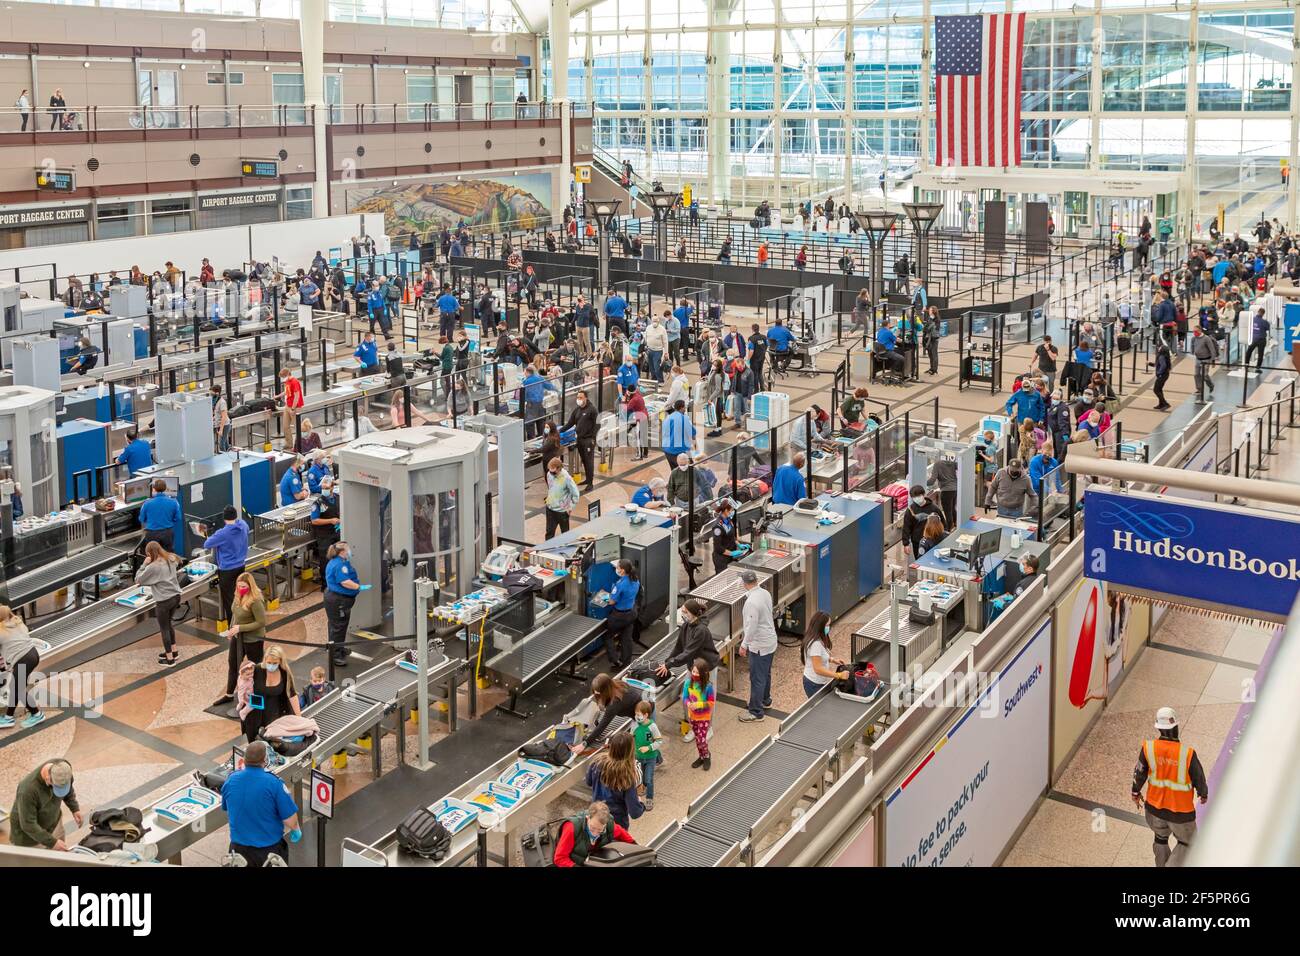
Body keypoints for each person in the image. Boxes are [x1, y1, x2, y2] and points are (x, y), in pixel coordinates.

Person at [1132, 707, 1208, 868]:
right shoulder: (1187, 754)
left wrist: (1135, 791)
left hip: (1153, 809)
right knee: (1188, 843)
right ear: (1176, 727)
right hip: (1180, 813)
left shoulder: (1148, 748)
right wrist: (1203, 793)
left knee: (1160, 838)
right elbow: (1198, 777)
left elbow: (1139, 772)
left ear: (1158, 728)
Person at [220, 740, 301, 867]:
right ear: (264, 760)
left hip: (238, 853)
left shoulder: (231, 780)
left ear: (244, 760)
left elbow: (226, 806)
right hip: (269, 854)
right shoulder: (274, 784)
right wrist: (296, 829)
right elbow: (291, 821)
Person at [204, 504, 250, 680]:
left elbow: (207, 543)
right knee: (242, 595)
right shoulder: (243, 525)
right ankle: (245, 620)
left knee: (230, 599)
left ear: (224, 518)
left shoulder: (223, 533)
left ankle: (235, 629)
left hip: (227, 569)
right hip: (241, 566)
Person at [9, 759, 81, 850]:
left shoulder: (64, 768)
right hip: (31, 839)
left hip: (54, 824)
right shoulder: (27, 791)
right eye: (56, 788)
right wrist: (52, 842)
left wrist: (74, 808)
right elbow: (28, 824)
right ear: (48, 779)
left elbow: (68, 788)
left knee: (59, 858)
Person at [237, 644, 299, 744]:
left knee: (273, 746)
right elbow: (242, 680)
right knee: (254, 746)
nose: (271, 665)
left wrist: (298, 718)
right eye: (269, 662)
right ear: (265, 659)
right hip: (254, 715)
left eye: (275, 663)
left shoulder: (284, 673)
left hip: (274, 716)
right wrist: (243, 697)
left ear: (280, 661)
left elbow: (292, 694)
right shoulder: (256, 670)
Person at [583, 730, 645, 829]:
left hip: (596, 817)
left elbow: (588, 782)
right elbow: (635, 813)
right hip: (617, 825)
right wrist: (641, 804)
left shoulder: (597, 763)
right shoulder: (627, 776)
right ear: (630, 751)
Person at [134, 541, 182, 666]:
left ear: (149, 553)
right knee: (169, 623)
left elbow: (138, 580)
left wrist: (144, 565)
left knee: (164, 628)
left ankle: (170, 659)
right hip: (176, 596)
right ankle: (174, 651)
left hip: (163, 601)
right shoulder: (171, 558)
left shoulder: (153, 566)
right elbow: (178, 562)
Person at [738, 569, 776, 722]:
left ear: (744, 583)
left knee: (757, 678)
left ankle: (756, 712)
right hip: (770, 640)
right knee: (765, 673)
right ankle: (765, 700)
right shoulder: (765, 593)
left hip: (759, 645)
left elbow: (752, 626)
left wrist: (744, 645)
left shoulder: (751, 602)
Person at [553, 800, 637, 867]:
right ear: (588, 818)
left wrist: (637, 847)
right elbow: (559, 858)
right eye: (592, 828)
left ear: (605, 824)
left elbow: (624, 836)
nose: (595, 834)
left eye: (600, 830)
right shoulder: (571, 828)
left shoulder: (610, 826)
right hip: (573, 862)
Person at [0, 605, 44, 727]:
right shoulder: (16, 622)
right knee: (16, 688)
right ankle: (8, 717)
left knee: (17, 690)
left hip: (23, 659)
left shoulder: (2, 631)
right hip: (33, 654)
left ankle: (37, 714)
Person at [324, 541, 362, 668]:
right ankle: (335, 655)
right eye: (348, 549)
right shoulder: (339, 565)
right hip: (338, 600)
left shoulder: (340, 562)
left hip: (339, 599)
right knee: (338, 626)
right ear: (342, 552)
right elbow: (345, 582)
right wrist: (358, 586)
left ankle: (338, 648)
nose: (350, 551)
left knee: (337, 625)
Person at [801, 611, 849, 698]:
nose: (829, 627)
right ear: (820, 626)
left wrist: (832, 659)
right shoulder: (815, 644)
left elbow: (820, 655)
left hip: (820, 682)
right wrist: (839, 675)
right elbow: (818, 669)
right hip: (813, 683)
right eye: (827, 625)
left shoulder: (819, 637)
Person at [603, 559, 640, 670]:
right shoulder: (635, 580)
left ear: (623, 571)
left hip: (619, 617)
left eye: (618, 568)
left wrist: (605, 598)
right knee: (626, 638)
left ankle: (615, 660)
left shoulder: (620, 585)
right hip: (631, 613)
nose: (616, 569)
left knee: (608, 636)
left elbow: (612, 601)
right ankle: (626, 663)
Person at [682, 657, 716, 769]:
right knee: (697, 738)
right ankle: (701, 756)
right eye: (693, 671)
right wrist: (688, 704)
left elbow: (711, 703)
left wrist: (699, 705)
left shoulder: (708, 687)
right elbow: (685, 697)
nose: (695, 674)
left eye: (697, 672)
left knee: (701, 739)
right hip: (693, 716)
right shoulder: (688, 683)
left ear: (703, 673)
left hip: (704, 717)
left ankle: (706, 755)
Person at [630, 699, 663, 810]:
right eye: (635, 714)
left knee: (648, 779)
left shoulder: (652, 726)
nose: (636, 716)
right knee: (639, 778)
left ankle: (649, 799)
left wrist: (648, 748)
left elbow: (659, 741)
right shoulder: (634, 725)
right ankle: (640, 792)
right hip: (638, 757)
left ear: (646, 715)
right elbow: (631, 738)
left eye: (638, 714)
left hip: (650, 758)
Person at [136, 478, 180, 553]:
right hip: (167, 533)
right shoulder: (174, 502)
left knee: (153, 555)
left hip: (152, 533)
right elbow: (178, 518)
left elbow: (141, 519)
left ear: (154, 489)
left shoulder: (147, 503)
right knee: (168, 555)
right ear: (165, 488)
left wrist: (151, 520)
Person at [544, 457, 580, 538]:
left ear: (559, 469)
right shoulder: (549, 474)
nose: (551, 473)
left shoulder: (567, 478)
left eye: (553, 472)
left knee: (565, 535)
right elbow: (551, 488)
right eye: (550, 471)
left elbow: (575, 494)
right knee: (549, 533)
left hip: (562, 511)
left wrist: (570, 508)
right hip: (550, 509)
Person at [519, 364, 557, 439]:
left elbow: (523, 394)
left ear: (527, 372)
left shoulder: (526, 381)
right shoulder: (540, 378)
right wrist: (558, 391)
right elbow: (549, 386)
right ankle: (542, 438)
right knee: (541, 422)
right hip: (541, 404)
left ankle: (531, 439)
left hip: (531, 405)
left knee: (529, 423)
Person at [661, 398, 695, 469]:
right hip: (679, 452)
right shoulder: (684, 418)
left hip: (667, 451)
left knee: (675, 473)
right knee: (689, 471)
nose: (685, 409)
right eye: (684, 407)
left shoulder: (668, 418)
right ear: (681, 408)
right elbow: (692, 434)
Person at [711, 498, 739, 574]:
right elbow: (718, 548)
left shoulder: (728, 520)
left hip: (729, 556)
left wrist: (738, 544)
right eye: (732, 510)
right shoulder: (717, 527)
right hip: (721, 559)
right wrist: (732, 553)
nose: (732, 512)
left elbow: (731, 535)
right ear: (726, 510)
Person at [1191, 327, 1218, 402]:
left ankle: (1211, 385)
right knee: (1196, 375)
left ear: (1200, 331)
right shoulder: (1193, 338)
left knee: (1204, 375)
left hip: (1206, 359)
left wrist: (1213, 360)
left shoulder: (1206, 339)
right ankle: (1199, 389)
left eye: (1195, 331)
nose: (1194, 333)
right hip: (1198, 359)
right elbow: (1192, 345)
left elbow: (1212, 349)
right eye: (1193, 331)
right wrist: (1193, 351)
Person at [1245, 307, 1270, 372]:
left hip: (1253, 338)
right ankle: (1258, 368)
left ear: (1258, 312)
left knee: (1249, 351)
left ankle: (1246, 365)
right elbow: (1267, 328)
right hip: (1261, 339)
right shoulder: (1265, 322)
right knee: (1260, 354)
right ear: (1263, 314)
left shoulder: (1252, 319)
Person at [1152, 341, 1172, 411]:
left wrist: (1159, 373)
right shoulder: (1165, 357)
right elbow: (1157, 365)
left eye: (1160, 347)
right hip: (1165, 375)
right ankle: (1161, 404)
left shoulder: (1161, 357)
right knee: (1159, 389)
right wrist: (1149, 364)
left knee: (1156, 390)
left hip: (1162, 375)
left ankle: (1165, 404)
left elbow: (1163, 366)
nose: (1158, 348)